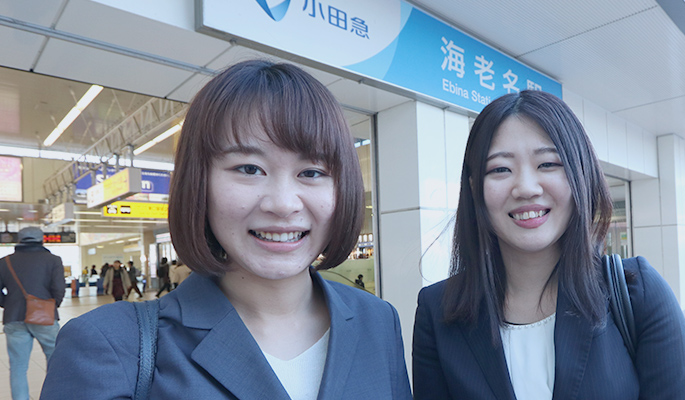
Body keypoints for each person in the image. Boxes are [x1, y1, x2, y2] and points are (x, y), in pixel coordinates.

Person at [42, 60, 411, 399]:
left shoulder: (377, 320)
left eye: (311, 172)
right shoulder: (110, 345)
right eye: (249, 169)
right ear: (198, 182)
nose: (283, 204)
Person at [412, 91, 685, 399]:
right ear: (474, 187)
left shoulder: (639, 293)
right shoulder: (438, 312)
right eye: (500, 169)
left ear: (581, 174)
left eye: (548, 164)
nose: (526, 188)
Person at [0, 227, 64, 400]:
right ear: (41, 240)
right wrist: (50, 306)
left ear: (20, 240)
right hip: (45, 317)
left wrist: (8, 304)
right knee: (55, 362)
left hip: (14, 318)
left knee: (18, 367)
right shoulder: (53, 260)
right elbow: (59, 289)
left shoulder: (5, 262)